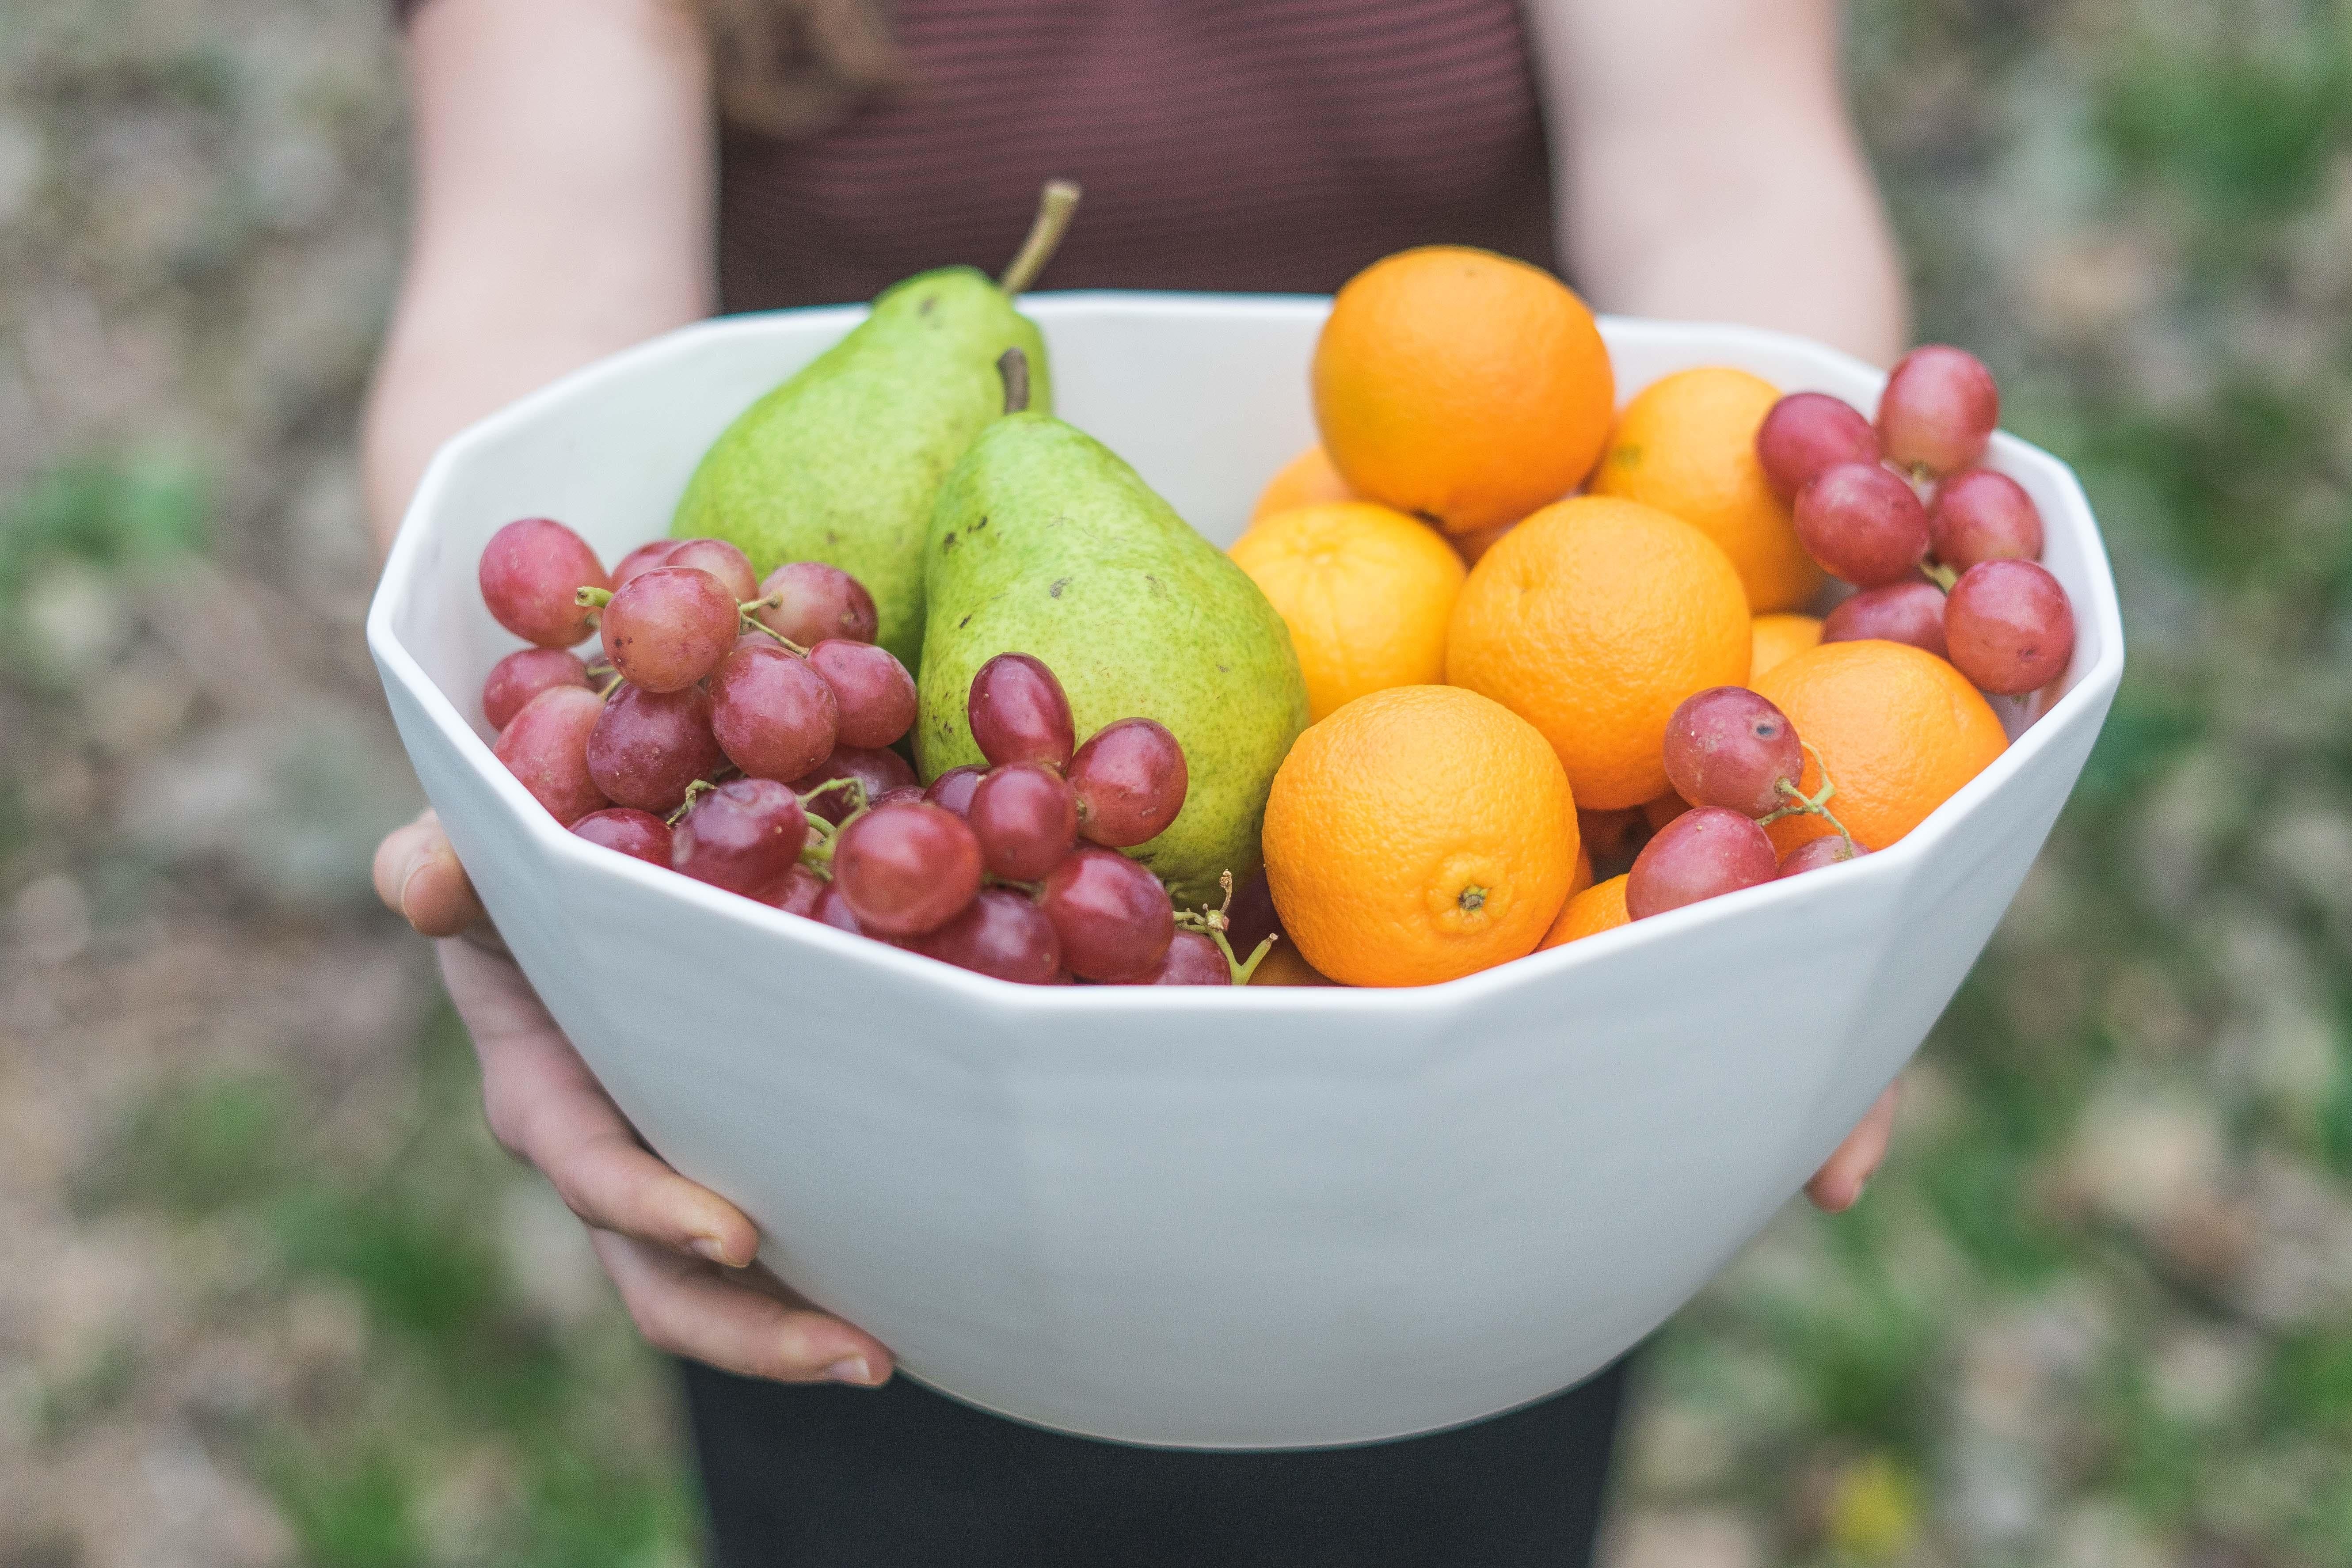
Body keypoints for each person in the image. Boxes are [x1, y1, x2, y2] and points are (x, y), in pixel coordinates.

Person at [365, 1, 1907, 1561]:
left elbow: (1731, 189)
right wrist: (532, 869)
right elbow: (534, 304)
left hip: (1482, 1098)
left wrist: (1831, 869)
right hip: (846, 1066)